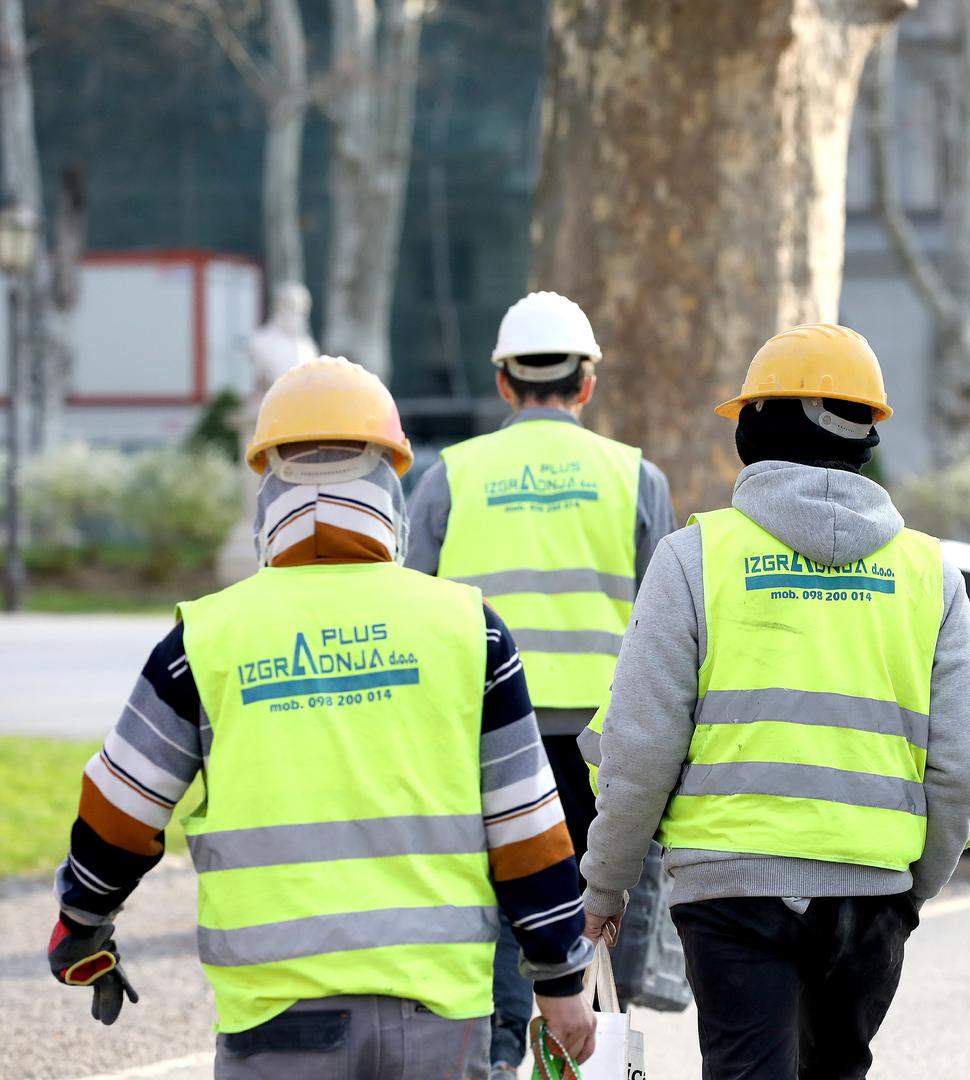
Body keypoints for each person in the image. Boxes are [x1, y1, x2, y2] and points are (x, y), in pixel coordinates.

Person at [46, 357, 597, 1078]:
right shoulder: (468, 630)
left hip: (275, 1021)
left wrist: (81, 924)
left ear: (268, 485)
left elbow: (120, 808)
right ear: (390, 482)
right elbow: (525, 825)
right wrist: (558, 981)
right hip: (437, 1016)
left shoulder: (204, 642)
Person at [578, 323, 970, 1079]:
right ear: (864, 432)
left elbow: (639, 749)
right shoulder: (929, 574)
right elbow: (964, 765)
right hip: (870, 896)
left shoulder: (695, 559)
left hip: (734, 897)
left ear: (760, 425)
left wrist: (605, 885)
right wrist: (906, 891)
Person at [406, 291, 676, 1075]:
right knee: (592, 917)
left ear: (503, 382)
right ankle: (583, 1056)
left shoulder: (448, 477)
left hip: (483, 744)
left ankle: (496, 1056)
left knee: (496, 914)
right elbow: (666, 630)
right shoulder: (635, 478)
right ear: (585, 383)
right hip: (600, 748)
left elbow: (413, 611)